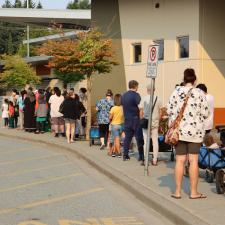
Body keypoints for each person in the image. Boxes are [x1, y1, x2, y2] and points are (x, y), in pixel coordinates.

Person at [167, 68, 209, 199]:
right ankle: (194, 192)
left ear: (184, 79)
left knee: (180, 160)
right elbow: (205, 113)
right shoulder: (200, 93)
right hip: (195, 132)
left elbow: (169, 110)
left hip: (179, 132)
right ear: (195, 80)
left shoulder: (176, 91)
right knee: (193, 161)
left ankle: (178, 192)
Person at [139, 84, 162, 166]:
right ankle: (155, 160)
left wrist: (141, 119)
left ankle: (145, 160)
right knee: (155, 141)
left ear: (147, 90)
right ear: (154, 90)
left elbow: (141, 111)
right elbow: (160, 112)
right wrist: (158, 121)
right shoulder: (158, 99)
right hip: (155, 123)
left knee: (146, 141)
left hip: (146, 122)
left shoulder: (144, 98)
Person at [121, 80, 144, 161]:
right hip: (135, 119)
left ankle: (125, 155)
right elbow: (140, 107)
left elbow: (122, 107)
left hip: (127, 119)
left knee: (127, 138)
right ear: (135, 86)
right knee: (139, 137)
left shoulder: (123, 95)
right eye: (137, 86)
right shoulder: (136, 95)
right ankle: (141, 155)